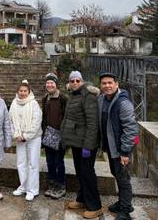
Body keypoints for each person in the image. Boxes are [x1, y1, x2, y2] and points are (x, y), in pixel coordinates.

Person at [61, 70, 103, 219]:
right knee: (80, 172)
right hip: (76, 142)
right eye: (72, 81)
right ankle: (82, 199)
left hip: (86, 143)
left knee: (87, 173)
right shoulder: (73, 95)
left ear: (82, 81)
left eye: (78, 80)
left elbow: (92, 124)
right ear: (69, 82)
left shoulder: (88, 96)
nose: (75, 83)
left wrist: (88, 146)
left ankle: (95, 206)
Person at [98, 72, 139, 220]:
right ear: (100, 86)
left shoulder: (123, 102)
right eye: (104, 83)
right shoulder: (102, 98)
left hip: (121, 149)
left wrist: (125, 152)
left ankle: (125, 210)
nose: (107, 86)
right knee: (117, 174)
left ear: (116, 84)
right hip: (111, 147)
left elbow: (131, 129)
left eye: (110, 83)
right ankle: (122, 203)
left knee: (123, 178)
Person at [9, 80, 42, 201]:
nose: (23, 93)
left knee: (33, 164)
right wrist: (16, 134)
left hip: (33, 138)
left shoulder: (34, 104)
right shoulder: (14, 103)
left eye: (25, 91)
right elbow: (10, 121)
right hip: (19, 138)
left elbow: (36, 122)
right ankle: (23, 186)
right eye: (21, 91)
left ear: (29, 92)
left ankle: (32, 190)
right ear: (18, 92)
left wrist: (26, 136)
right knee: (21, 163)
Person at [41, 72, 68, 199]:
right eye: (48, 83)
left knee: (59, 162)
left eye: (52, 83)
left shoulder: (63, 98)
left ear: (56, 84)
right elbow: (44, 118)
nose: (49, 85)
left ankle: (61, 186)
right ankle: (52, 185)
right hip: (48, 135)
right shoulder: (44, 98)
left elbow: (67, 117)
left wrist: (64, 136)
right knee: (50, 161)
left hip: (60, 135)